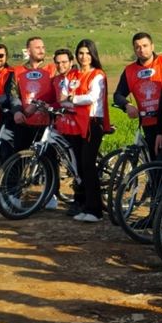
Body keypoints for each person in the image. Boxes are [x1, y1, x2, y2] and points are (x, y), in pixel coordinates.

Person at [56, 38, 109, 222]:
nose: (83, 56)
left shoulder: (98, 75)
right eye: (80, 53)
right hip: (75, 124)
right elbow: (61, 98)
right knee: (79, 166)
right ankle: (86, 205)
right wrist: (72, 98)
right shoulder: (71, 75)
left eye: (87, 53)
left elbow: (92, 97)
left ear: (92, 54)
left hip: (93, 123)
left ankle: (96, 210)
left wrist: (72, 98)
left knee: (88, 165)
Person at [112, 32, 162, 157]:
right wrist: (127, 105)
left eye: (145, 45)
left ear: (152, 46)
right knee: (154, 163)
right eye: (137, 47)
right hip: (148, 123)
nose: (141, 50)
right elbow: (118, 95)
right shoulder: (130, 70)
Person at [7, 36, 57, 151]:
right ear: (28, 51)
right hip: (25, 122)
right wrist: (17, 111)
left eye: (43, 47)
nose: (42, 50)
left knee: (49, 161)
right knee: (21, 159)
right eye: (37, 48)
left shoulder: (53, 69)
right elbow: (14, 95)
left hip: (48, 124)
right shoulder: (18, 71)